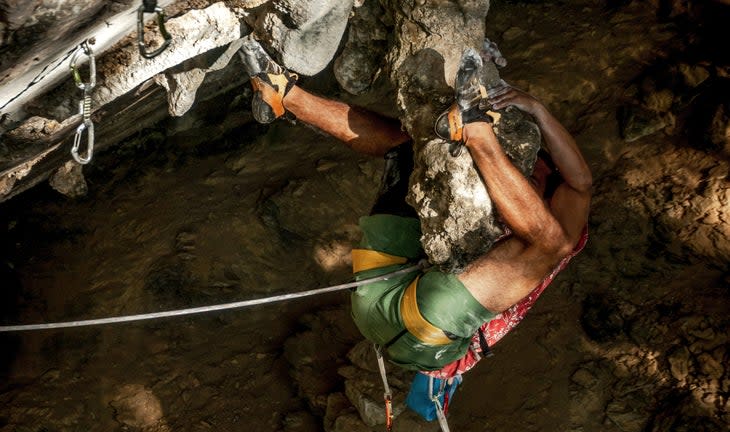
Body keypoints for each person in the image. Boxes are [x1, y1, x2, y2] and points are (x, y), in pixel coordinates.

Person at [237, 35, 592, 384]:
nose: (516, 185)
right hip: (385, 297)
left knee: (552, 244)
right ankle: (283, 94)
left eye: (525, 180)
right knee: (410, 148)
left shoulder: (555, 221)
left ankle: (475, 130)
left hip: (429, 334)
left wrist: (538, 110)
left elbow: (581, 186)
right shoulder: (498, 183)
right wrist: (526, 103)